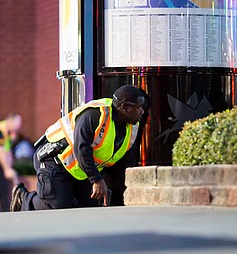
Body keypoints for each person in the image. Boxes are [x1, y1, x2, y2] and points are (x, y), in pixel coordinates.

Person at [10, 85, 145, 211]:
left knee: (89, 207)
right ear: (124, 107)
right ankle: (24, 198)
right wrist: (96, 180)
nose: (142, 111)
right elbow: (81, 149)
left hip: (81, 171)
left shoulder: (131, 128)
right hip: (55, 161)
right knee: (58, 206)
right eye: (139, 108)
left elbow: (125, 164)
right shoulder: (95, 115)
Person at [0, 113, 21, 211]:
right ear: (10, 121)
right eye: (17, 123)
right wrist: (7, 169)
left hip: (2, 165)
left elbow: (7, 151)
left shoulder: (8, 133)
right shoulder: (2, 129)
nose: (19, 126)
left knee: (4, 189)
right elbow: (1, 150)